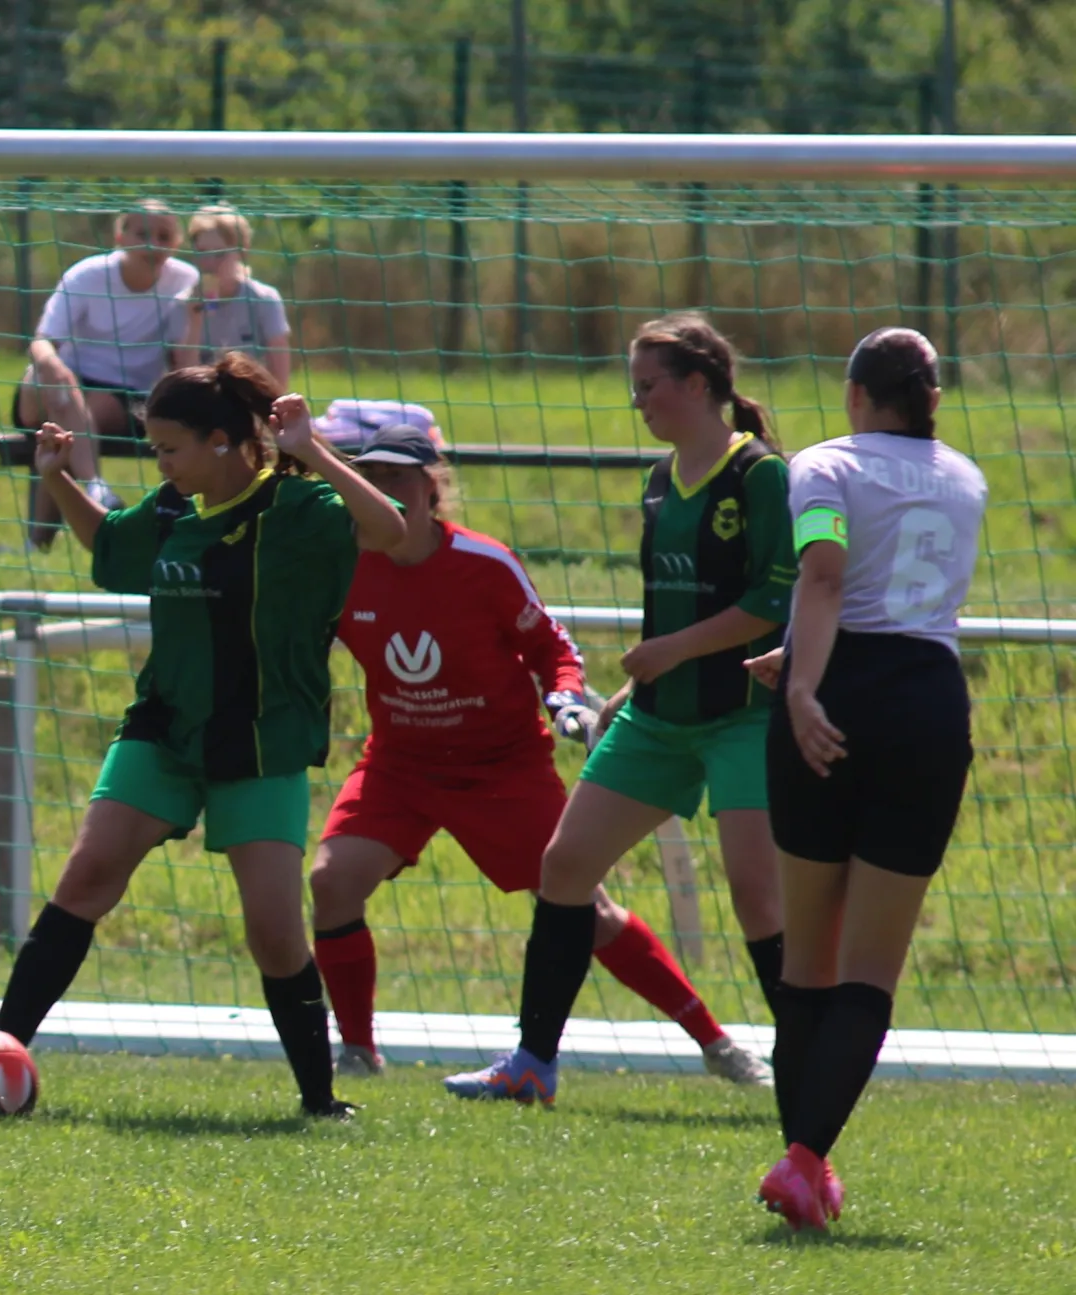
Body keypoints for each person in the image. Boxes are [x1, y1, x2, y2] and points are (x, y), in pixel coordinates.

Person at [0, 353, 407, 1119]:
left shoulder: (298, 508)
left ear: (222, 441)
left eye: (168, 448)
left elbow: (390, 529)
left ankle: (320, 1100)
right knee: (86, 878)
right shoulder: (172, 508)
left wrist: (312, 450)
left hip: (260, 741)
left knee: (274, 934)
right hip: (165, 727)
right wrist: (56, 478)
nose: (160, 463)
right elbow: (111, 553)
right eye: (154, 448)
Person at [310, 424, 771, 1084]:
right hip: (399, 765)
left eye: (398, 479)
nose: (383, 492)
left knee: (587, 911)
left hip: (501, 767)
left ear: (431, 489)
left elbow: (553, 648)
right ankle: (358, 1051)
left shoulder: (483, 563)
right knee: (331, 881)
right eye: (371, 478)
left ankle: (716, 1043)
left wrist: (565, 697)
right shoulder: (340, 566)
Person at [445, 312, 795, 1105]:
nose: (636, 401)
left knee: (757, 894)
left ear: (697, 385)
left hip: (742, 713)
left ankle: (808, 1062)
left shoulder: (760, 475)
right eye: (632, 386)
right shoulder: (659, 478)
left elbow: (773, 601)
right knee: (565, 868)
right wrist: (638, 687)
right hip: (658, 717)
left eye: (648, 385)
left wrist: (672, 651)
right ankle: (532, 1063)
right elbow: (668, 606)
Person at [745, 329, 983, 1230]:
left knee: (807, 960)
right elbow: (896, 599)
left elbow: (827, 575)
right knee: (872, 969)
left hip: (835, 699)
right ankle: (807, 1162)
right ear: (932, 399)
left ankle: (804, 1159)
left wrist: (802, 684)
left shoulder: (825, 465)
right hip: (925, 707)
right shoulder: (966, 479)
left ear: (854, 394)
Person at [14, 201, 198, 548]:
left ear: (176, 243)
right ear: (120, 236)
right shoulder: (87, 275)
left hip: (125, 396)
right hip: (60, 384)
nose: (153, 245)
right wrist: (55, 367)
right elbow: (41, 343)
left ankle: (37, 542)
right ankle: (95, 487)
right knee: (54, 385)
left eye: (164, 236)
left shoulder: (186, 282)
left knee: (66, 425)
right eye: (142, 234)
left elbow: (182, 361)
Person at [179, 204, 292, 387]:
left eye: (220, 254)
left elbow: (280, 379)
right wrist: (195, 323)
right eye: (202, 252)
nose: (209, 263)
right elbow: (181, 383)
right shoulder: (182, 303)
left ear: (241, 253)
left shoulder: (264, 299)